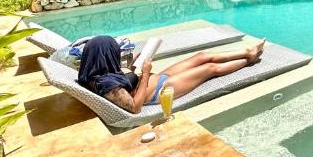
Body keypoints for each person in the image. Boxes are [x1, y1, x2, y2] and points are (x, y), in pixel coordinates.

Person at [76, 35, 265, 114]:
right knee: (209, 69)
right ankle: (249, 60)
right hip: (159, 90)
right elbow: (135, 106)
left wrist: (135, 66)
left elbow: (126, 82)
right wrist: (146, 74)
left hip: (155, 78)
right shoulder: (106, 85)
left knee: (201, 56)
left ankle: (247, 52)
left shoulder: (96, 72)